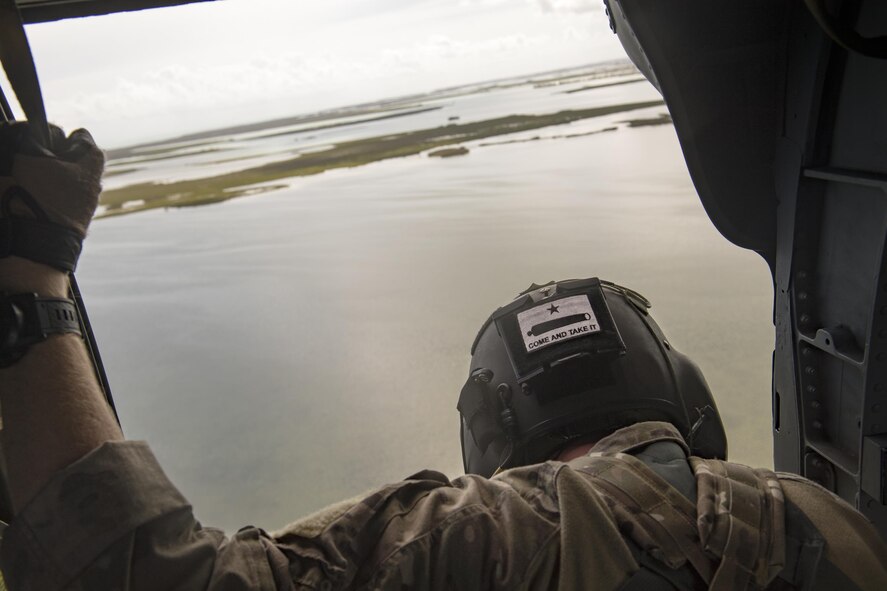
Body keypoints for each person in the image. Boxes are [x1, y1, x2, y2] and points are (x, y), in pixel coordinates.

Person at [0, 122, 884, 591]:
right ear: (682, 395)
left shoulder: (478, 536)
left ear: (488, 433)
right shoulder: (832, 517)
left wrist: (33, 281)